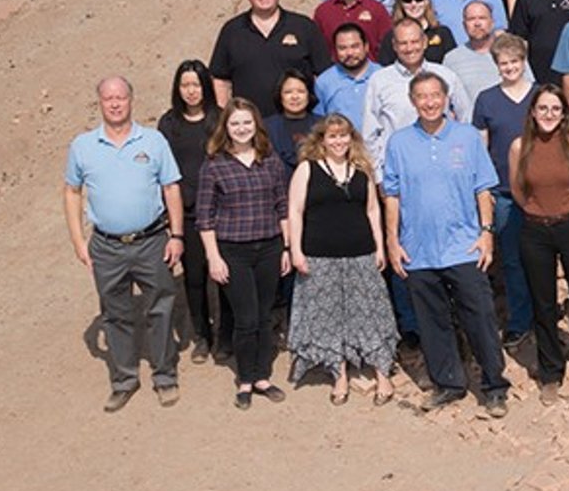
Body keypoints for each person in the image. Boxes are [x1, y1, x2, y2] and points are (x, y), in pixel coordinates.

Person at [381, 73, 510, 415]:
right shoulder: (399, 143)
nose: (429, 102)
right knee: (432, 321)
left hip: (463, 246)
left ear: (446, 97)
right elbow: (391, 196)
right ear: (413, 101)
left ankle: (495, 385)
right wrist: (393, 241)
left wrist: (486, 233)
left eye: (435, 95)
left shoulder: (466, 137)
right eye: (422, 96)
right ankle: (449, 383)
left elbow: (483, 188)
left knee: (479, 316)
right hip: (419, 250)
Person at [66, 76, 186, 409]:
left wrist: (176, 235)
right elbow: (72, 192)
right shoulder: (83, 146)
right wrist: (78, 241)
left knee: (160, 308)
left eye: (121, 97)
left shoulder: (153, 140)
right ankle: (124, 379)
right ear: (100, 103)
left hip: (151, 240)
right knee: (115, 312)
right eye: (108, 98)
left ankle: (165, 376)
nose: (115, 103)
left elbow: (171, 188)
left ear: (131, 100)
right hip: (106, 246)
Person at [286, 114, 398, 404]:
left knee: (371, 312)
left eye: (343, 135)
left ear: (352, 138)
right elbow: (295, 211)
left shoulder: (362, 170)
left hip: (361, 252)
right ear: (322, 140)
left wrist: (380, 247)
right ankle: (339, 374)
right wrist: (295, 250)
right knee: (329, 317)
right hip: (319, 255)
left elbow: (373, 210)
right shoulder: (307, 170)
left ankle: (382, 374)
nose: (338, 141)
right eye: (332, 136)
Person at [194, 99, 292, 408]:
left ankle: (263, 376)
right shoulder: (214, 165)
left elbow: (282, 206)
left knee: (264, 317)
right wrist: (213, 257)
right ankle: (246, 380)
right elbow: (205, 216)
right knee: (246, 318)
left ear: (256, 125)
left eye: (247, 123)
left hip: (270, 247)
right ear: (226, 127)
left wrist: (287, 247)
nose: (241, 128)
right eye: (235, 123)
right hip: (233, 251)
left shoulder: (270, 159)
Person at [509, 84, 569, 397]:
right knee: (543, 304)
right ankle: (551, 371)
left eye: (555, 109)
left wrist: (568, 210)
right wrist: (539, 212)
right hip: (535, 231)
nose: (549, 114)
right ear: (533, 113)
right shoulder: (519, 146)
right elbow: (518, 191)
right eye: (543, 108)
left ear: (564, 114)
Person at [469, 34, 538, 344]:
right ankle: (520, 319)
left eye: (515, 61)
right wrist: (483, 190)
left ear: (524, 62)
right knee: (511, 259)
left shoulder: (539, 96)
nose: (510, 68)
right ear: (496, 65)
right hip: (503, 190)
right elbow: (480, 148)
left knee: (543, 256)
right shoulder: (486, 100)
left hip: (540, 191)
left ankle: (544, 314)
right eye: (503, 63)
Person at [158, 61, 224, 362]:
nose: (191, 91)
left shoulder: (220, 119)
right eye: (185, 85)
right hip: (188, 213)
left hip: (223, 212)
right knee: (194, 279)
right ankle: (202, 335)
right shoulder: (169, 124)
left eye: (196, 84)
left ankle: (227, 335)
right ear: (177, 88)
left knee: (226, 277)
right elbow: (163, 172)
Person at [211, 0, 327, 118]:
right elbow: (220, 80)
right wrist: (225, 118)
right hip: (249, 127)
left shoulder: (304, 27)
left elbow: (324, 76)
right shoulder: (232, 31)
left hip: (298, 126)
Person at [359, 19, 463, 162]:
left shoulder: (446, 75)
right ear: (394, 45)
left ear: (424, 42)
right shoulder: (379, 80)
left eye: (414, 42)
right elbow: (369, 133)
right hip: (398, 165)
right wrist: (379, 175)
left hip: (443, 162)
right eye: (403, 43)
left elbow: (465, 118)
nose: (409, 48)